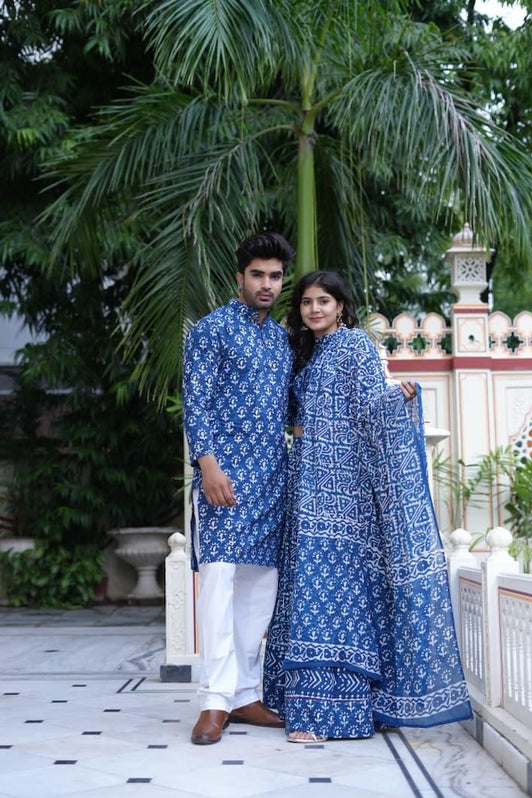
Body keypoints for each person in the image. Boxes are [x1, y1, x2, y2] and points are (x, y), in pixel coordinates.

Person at [263, 270, 472, 743]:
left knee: (334, 592)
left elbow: (369, 406)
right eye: (307, 302)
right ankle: (314, 708)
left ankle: (327, 717)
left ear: (340, 306)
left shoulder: (355, 345)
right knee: (307, 591)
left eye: (324, 301)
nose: (314, 309)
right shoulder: (308, 352)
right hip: (307, 484)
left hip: (344, 493)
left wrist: (399, 399)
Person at [182, 232, 295, 745]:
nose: (267, 284)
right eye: (258, 275)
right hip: (222, 480)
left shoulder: (281, 339)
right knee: (221, 583)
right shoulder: (211, 330)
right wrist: (208, 465)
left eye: (275, 276)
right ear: (240, 277)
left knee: (259, 590)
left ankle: (246, 693)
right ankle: (213, 700)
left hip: (272, 479)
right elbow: (195, 402)